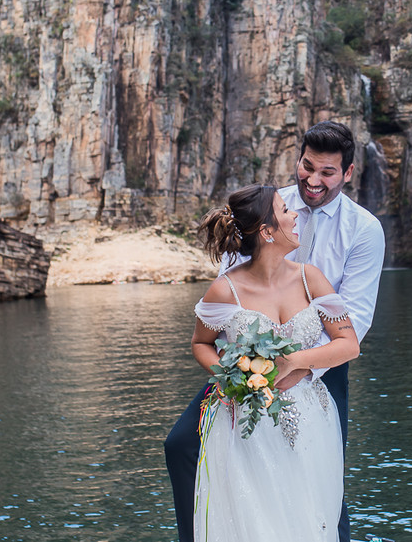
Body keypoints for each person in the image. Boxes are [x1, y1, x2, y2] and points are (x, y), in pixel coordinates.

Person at [165, 120, 386, 542]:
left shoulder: (364, 229)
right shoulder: (267, 208)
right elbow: (230, 291)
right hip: (247, 360)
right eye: (307, 166)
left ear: (348, 173)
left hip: (321, 362)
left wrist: (297, 368)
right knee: (182, 445)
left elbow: (354, 320)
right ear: (298, 159)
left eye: (327, 172)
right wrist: (246, 374)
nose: (313, 180)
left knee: (318, 471)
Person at [191, 184, 359, 541]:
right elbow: (201, 344)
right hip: (245, 421)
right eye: (285, 211)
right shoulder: (226, 290)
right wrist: (228, 376)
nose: (295, 214)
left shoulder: (310, 278)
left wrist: (293, 361)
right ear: (267, 232)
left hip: (312, 420)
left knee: (310, 520)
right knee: (257, 523)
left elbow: (349, 345)